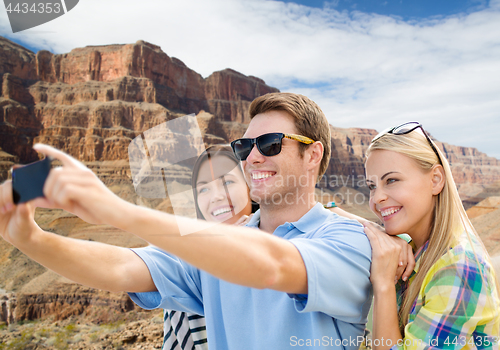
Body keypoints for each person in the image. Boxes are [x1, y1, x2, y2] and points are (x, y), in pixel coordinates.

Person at [0, 92, 377, 349]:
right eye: (244, 147)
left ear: (313, 156)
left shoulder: (347, 239)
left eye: (270, 143)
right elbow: (121, 267)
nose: (253, 158)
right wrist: (31, 238)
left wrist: (113, 209)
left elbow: (272, 266)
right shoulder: (212, 249)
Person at [363, 122, 500, 349]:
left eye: (392, 180)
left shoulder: (460, 267)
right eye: (371, 186)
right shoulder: (417, 248)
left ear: (435, 180)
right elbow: (334, 213)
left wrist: (384, 284)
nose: (377, 198)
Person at [162, 145, 253, 350]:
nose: (216, 197)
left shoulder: (289, 245)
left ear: (250, 187)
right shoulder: (189, 274)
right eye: (203, 188)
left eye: (227, 182)